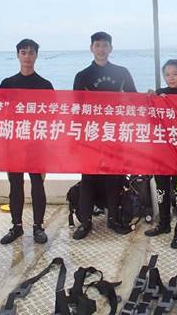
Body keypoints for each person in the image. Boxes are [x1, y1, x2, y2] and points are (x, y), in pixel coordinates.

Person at [72, 31, 136, 240]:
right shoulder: (82, 75)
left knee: (114, 178)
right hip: (90, 135)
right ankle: (85, 222)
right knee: (87, 178)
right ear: (92, 48)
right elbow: (76, 108)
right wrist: (75, 138)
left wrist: (153, 97)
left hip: (115, 133)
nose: (101, 49)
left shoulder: (122, 72)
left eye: (105, 45)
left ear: (111, 48)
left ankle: (114, 219)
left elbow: (135, 100)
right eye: (97, 45)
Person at [0, 39, 52, 245]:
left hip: (37, 144)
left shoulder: (45, 85)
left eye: (31, 52)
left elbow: (53, 115)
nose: (27, 56)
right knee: (15, 185)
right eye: (23, 52)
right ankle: (16, 226)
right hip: (14, 143)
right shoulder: (7, 83)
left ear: (36, 55)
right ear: (18, 55)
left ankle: (38, 227)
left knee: (37, 184)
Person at [145, 59, 177, 249]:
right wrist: (151, 99)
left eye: (175, 74)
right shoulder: (159, 94)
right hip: (161, 155)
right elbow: (150, 120)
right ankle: (164, 224)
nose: (171, 78)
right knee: (162, 191)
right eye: (167, 74)